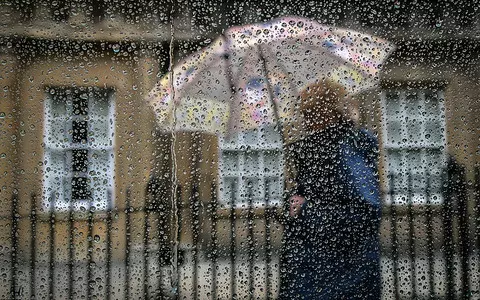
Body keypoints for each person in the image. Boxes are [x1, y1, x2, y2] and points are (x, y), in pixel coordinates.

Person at [279, 80, 382, 299]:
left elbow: (366, 215)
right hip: (311, 278)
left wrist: (305, 210)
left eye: (310, 114)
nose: (306, 122)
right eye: (304, 114)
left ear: (328, 114)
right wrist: (292, 203)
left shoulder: (348, 151)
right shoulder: (318, 151)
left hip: (339, 283)